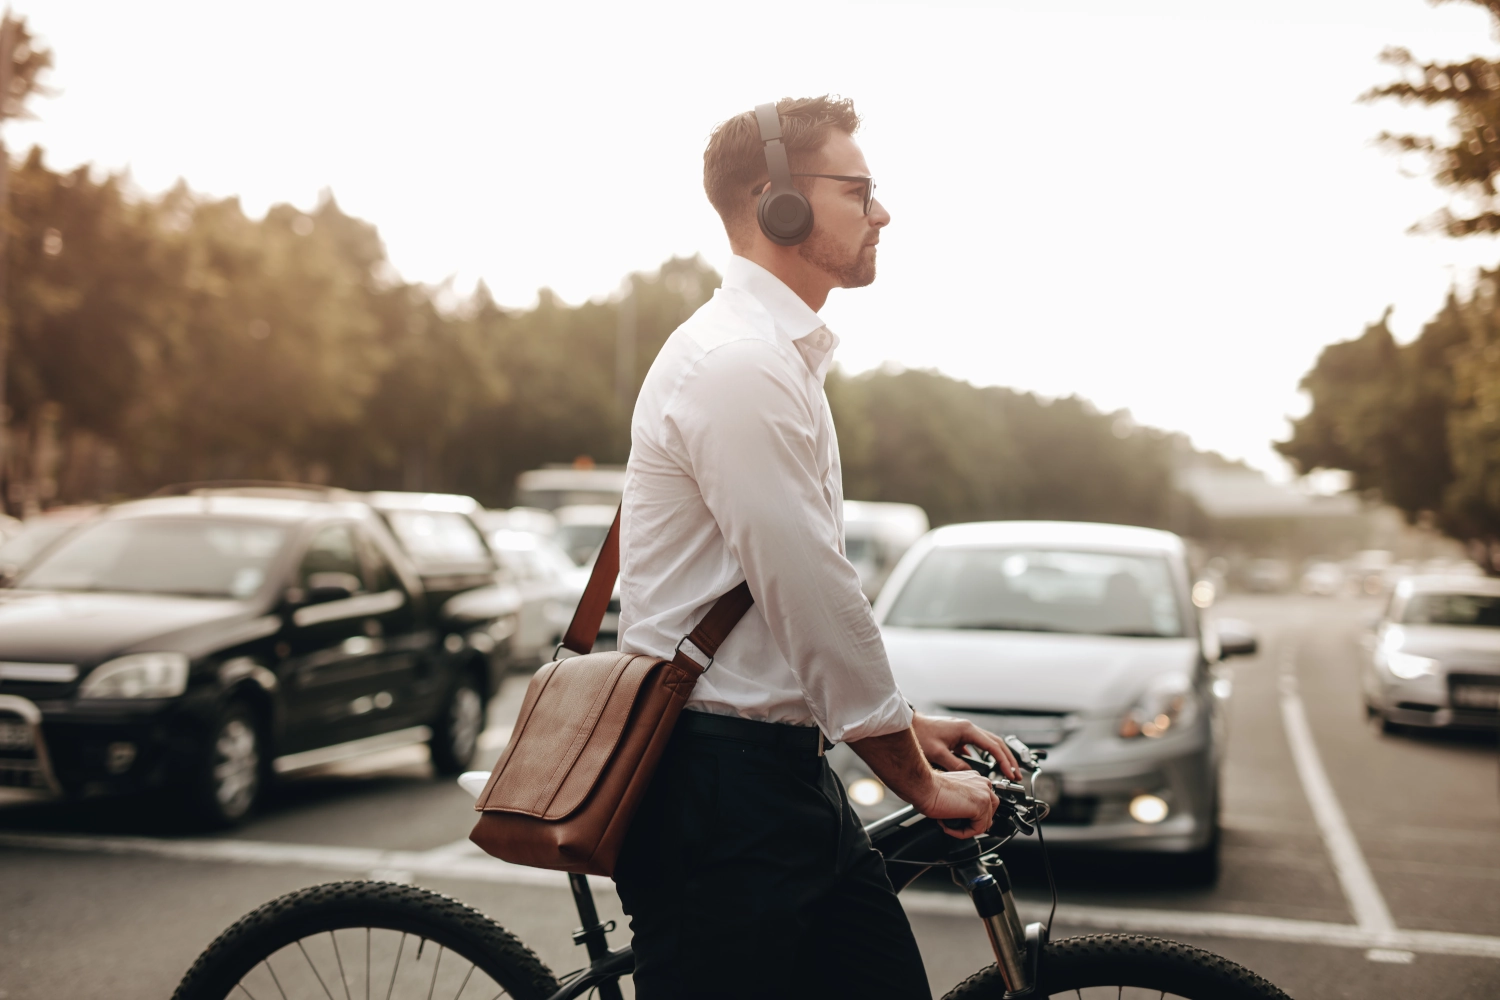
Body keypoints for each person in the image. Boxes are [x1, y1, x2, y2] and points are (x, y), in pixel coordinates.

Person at [613, 95, 1021, 1000]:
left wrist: (902, 724)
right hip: (719, 791)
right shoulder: (738, 364)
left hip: (774, 775)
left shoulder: (776, 355)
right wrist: (916, 778)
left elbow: (776, 624)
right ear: (779, 203)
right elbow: (808, 588)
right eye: (860, 189)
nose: (883, 212)